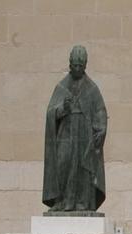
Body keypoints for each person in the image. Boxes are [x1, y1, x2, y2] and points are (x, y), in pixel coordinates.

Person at [42, 45, 108, 213]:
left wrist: (100, 130)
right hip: (66, 133)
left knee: (83, 167)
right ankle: (62, 201)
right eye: (74, 65)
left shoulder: (92, 89)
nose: (77, 69)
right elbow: (51, 112)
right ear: (70, 64)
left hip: (85, 135)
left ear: (85, 65)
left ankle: (82, 203)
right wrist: (62, 108)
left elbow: (100, 111)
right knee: (62, 164)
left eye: (81, 66)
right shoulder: (61, 87)